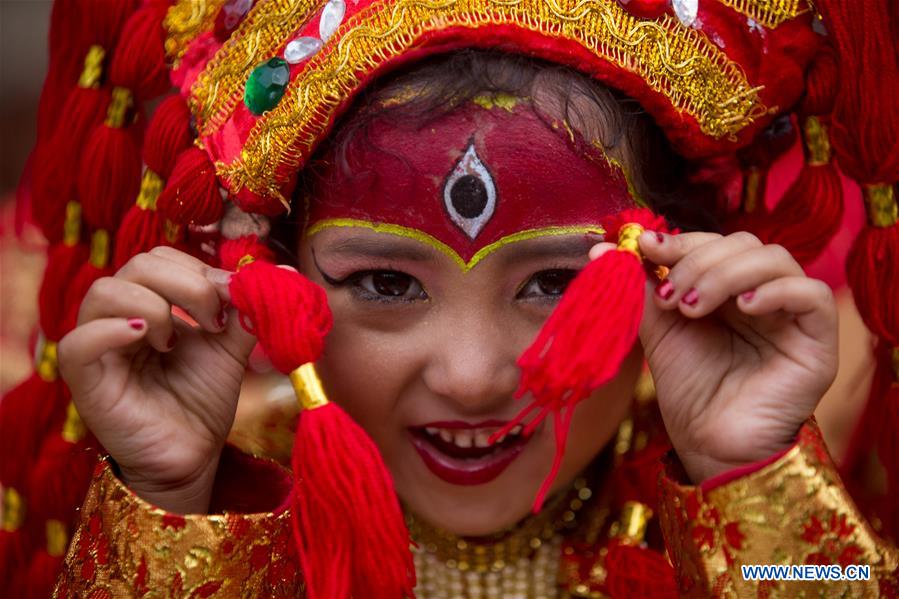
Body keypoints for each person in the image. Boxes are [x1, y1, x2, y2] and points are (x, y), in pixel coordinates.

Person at [1, 0, 897, 597]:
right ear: (274, 278)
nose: (472, 377)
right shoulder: (212, 500)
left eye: (557, 283)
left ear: (678, 268)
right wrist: (168, 501)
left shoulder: (728, 474)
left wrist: (752, 478)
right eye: (386, 283)